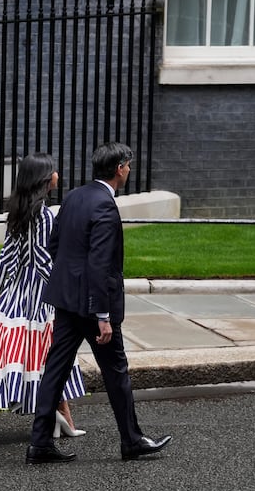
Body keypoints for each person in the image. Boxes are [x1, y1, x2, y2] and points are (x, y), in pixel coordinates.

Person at [26, 142, 172, 463]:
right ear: (119, 169)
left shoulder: (75, 197)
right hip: (94, 308)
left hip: (67, 302)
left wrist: (70, 285)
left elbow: (55, 245)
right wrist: (102, 315)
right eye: (128, 165)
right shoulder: (105, 206)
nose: (130, 170)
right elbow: (101, 264)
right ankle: (132, 441)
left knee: (55, 370)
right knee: (116, 372)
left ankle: (39, 444)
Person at [0, 152, 87, 449]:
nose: (58, 175)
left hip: (17, 297)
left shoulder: (19, 211)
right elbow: (41, 261)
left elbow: (6, 256)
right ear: (46, 179)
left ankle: (66, 420)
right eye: (55, 171)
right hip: (36, 302)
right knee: (31, 358)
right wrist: (66, 292)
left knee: (40, 358)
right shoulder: (44, 216)